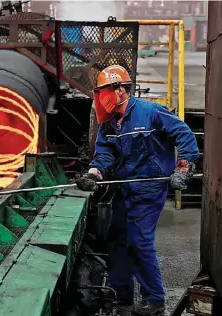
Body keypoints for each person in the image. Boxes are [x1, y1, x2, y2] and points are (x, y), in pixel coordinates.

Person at [76, 65, 199, 316]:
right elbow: (104, 154)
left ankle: (154, 299)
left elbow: (184, 134)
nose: (102, 98)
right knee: (117, 237)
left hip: (149, 187)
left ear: (121, 90)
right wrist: (93, 174)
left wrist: (183, 168)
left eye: (105, 92)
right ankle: (120, 291)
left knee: (139, 241)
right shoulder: (110, 124)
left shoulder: (150, 112)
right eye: (99, 93)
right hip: (125, 187)